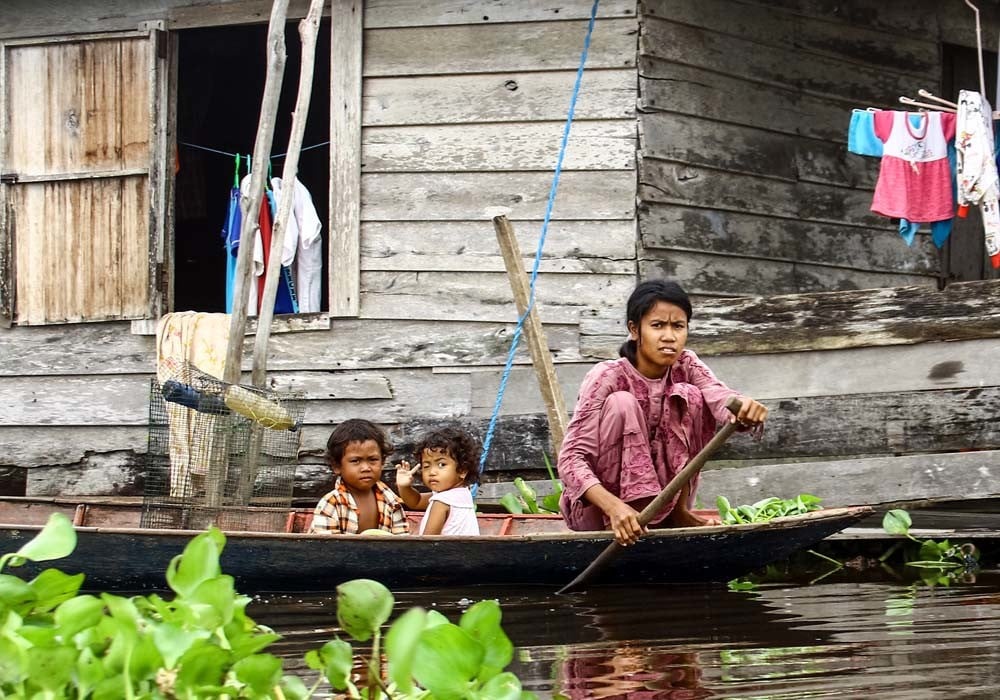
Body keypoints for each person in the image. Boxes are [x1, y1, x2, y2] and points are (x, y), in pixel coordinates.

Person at [557, 279, 768, 546]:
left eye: (678, 326)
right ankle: (625, 515)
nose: (669, 336)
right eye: (657, 326)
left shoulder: (686, 364)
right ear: (635, 330)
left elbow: (718, 395)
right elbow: (570, 459)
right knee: (622, 403)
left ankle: (676, 513)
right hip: (602, 513)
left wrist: (743, 406)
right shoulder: (607, 376)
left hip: (662, 507)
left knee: (691, 395)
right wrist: (614, 507)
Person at [309, 419, 409, 535]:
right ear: (337, 466)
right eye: (355, 461)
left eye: (373, 460)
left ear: (382, 461)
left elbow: (402, 541)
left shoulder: (391, 501)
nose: (366, 468)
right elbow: (324, 547)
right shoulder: (331, 503)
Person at [395, 426, 481, 535]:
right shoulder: (461, 494)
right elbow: (416, 502)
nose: (432, 472)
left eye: (441, 465)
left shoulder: (442, 502)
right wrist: (404, 487)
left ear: (462, 470)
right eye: (426, 466)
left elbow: (428, 542)